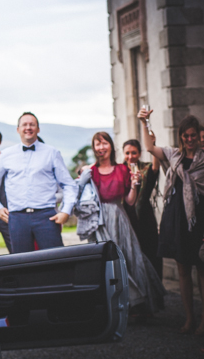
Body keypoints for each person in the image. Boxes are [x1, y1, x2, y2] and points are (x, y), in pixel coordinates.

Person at [85, 132, 165, 315]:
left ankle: (134, 303)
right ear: (94, 148)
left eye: (104, 143)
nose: (101, 147)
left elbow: (129, 201)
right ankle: (108, 306)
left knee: (129, 258)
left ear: (111, 146)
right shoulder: (92, 171)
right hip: (100, 221)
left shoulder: (122, 170)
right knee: (103, 262)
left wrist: (135, 185)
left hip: (119, 217)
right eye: (97, 144)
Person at [139, 108, 204, 333]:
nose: (189, 139)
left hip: (200, 220)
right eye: (185, 136)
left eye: (193, 135)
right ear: (181, 137)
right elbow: (149, 147)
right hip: (177, 219)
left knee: (202, 269)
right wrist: (145, 122)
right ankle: (189, 319)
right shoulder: (174, 156)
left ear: (199, 135)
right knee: (183, 270)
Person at [0, 112, 77, 254]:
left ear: (38, 129)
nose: (28, 127)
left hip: (46, 216)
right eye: (24, 124)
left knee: (55, 260)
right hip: (16, 218)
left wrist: (66, 210)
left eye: (32, 124)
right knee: (22, 264)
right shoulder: (7, 155)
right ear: (18, 129)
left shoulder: (51, 152)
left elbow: (69, 184)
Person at [123, 138, 162, 278]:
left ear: (139, 153)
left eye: (134, 152)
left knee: (151, 255)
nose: (130, 156)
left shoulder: (145, 169)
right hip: (126, 217)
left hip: (145, 219)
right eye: (127, 153)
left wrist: (152, 145)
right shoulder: (119, 171)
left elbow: (155, 169)